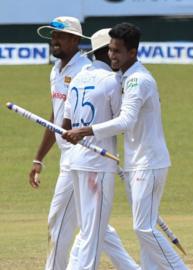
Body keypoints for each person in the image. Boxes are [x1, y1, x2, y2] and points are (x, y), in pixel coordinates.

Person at [62, 22, 187, 270]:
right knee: (144, 231)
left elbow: (126, 121)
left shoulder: (138, 80)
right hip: (135, 162)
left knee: (143, 228)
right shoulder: (123, 77)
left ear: (132, 52)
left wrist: (85, 131)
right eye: (110, 50)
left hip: (149, 162)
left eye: (117, 51)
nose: (112, 56)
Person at [31, 17, 138, 270]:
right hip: (72, 157)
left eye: (60, 36)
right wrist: (39, 158)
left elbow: (116, 117)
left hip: (82, 160)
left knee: (62, 223)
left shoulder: (85, 71)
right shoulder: (55, 70)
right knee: (96, 226)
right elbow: (57, 117)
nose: (54, 41)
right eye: (52, 36)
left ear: (76, 40)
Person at [62, 28, 141, 270]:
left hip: (75, 161)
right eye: (112, 50)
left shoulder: (78, 77)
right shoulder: (112, 81)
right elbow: (121, 122)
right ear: (106, 52)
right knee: (93, 233)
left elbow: (66, 125)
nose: (115, 55)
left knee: (92, 227)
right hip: (97, 164)